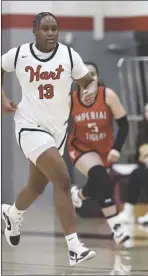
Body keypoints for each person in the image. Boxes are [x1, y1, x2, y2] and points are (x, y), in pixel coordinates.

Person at [1, 12, 96, 265]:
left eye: (55, 28)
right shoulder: (19, 54)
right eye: (46, 29)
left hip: (57, 131)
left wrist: (89, 92)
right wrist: (1, 98)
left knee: (36, 187)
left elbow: (89, 81)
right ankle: (74, 247)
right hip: (29, 126)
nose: (51, 33)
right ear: (34, 30)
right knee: (63, 180)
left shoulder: (68, 55)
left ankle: (12, 213)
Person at [68, 62, 130, 244]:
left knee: (100, 181)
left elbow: (124, 124)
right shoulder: (71, 100)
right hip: (81, 147)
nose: (89, 78)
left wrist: (117, 148)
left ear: (97, 77)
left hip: (104, 148)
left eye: (92, 74)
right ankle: (117, 227)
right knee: (101, 178)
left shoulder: (107, 95)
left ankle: (79, 195)